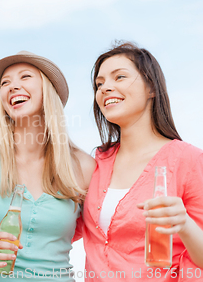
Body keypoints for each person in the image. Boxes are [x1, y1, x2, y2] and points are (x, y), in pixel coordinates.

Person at [0, 51, 96, 281]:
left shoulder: (83, 167)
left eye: (25, 77)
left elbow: (105, 239)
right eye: (5, 83)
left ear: (48, 91)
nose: (13, 86)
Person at [82, 42, 203, 281]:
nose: (106, 88)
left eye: (120, 77)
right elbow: (56, 224)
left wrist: (184, 224)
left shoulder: (190, 160)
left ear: (151, 88)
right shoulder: (95, 163)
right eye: (100, 83)